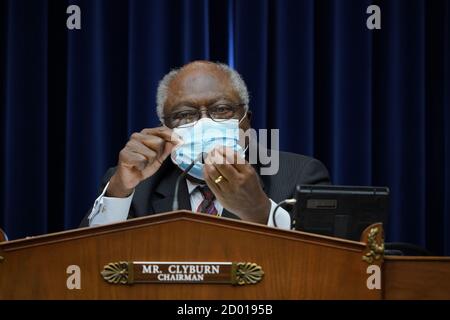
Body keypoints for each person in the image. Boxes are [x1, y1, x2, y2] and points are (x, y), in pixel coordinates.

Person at [80, 61, 330, 229]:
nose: (205, 123)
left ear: (247, 122)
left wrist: (260, 211)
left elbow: (328, 263)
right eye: (185, 114)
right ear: (164, 127)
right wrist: (119, 192)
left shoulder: (299, 175)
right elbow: (90, 261)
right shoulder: (133, 185)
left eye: (221, 110)